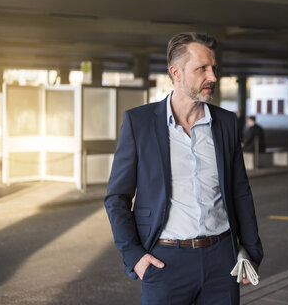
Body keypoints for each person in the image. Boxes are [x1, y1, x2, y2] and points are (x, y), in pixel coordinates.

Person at [104, 32, 263, 305]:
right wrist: (135, 257)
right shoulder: (139, 123)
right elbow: (116, 198)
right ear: (176, 73)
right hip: (165, 263)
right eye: (202, 68)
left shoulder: (225, 123)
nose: (213, 77)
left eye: (214, 68)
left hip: (221, 261)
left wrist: (251, 251)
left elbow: (240, 193)